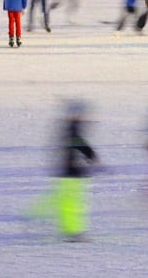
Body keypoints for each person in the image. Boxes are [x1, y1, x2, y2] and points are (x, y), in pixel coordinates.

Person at [28, 101, 100, 240]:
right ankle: (72, 232)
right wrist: (90, 155)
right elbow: (77, 143)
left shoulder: (71, 127)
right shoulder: (72, 128)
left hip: (70, 170)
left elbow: (75, 144)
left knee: (65, 200)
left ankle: (35, 215)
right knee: (70, 203)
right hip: (71, 171)